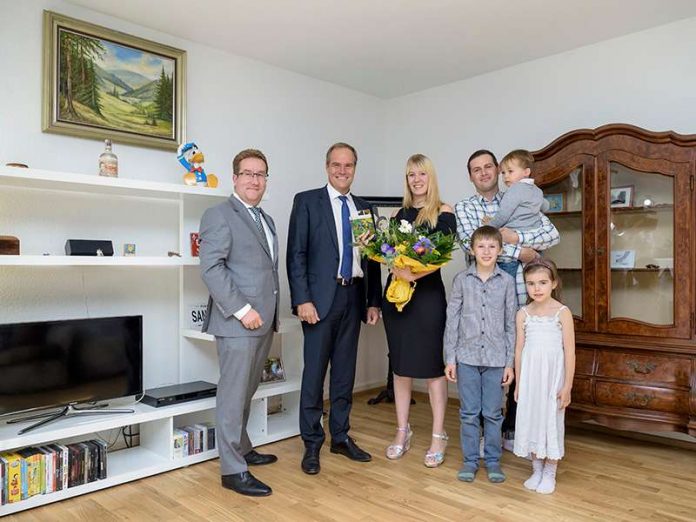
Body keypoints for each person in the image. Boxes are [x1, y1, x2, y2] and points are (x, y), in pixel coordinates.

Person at [287, 142, 382, 475]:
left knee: (344, 374)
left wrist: (373, 301)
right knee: (314, 375)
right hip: (318, 301)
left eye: (349, 165)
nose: (343, 171)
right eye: (336, 165)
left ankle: (340, 437)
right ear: (327, 167)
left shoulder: (365, 208)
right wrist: (302, 299)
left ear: (355, 168)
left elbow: (372, 260)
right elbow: (296, 254)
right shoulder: (307, 202)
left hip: (353, 297)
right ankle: (312, 443)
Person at [454, 149, 560, 445]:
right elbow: (470, 244)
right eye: (477, 169)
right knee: (487, 365)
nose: (484, 172)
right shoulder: (464, 208)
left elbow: (551, 235)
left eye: (489, 167)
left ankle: (513, 429)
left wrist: (516, 237)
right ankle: (482, 434)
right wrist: (523, 251)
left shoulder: (518, 195)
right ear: (471, 175)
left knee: (519, 360)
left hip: (521, 296)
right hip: (484, 302)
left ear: (499, 170)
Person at [199, 149, 279, 497]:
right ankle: (233, 471)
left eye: (260, 174)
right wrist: (243, 309)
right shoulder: (218, 214)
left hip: (263, 321)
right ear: (234, 178)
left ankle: (242, 447)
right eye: (247, 173)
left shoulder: (266, 219)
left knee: (247, 390)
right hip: (238, 322)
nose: (253, 180)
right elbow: (212, 268)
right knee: (232, 395)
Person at [381, 154, 456, 467]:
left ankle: (439, 435)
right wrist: (384, 253)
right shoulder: (400, 213)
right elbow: (388, 251)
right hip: (397, 298)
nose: (416, 180)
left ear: (431, 177)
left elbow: (442, 253)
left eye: (421, 174)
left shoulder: (444, 211)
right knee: (401, 367)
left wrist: (413, 273)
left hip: (427, 299)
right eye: (411, 174)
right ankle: (402, 431)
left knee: (432, 369)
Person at [444, 225, 516, 483]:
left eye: (492, 246)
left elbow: (510, 325)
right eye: (481, 246)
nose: (486, 251)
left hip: (497, 360)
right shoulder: (462, 280)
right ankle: (471, 461)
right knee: (469, 413)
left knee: (493, 413)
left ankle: (494, 461)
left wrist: (510, 363)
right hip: (467, 359)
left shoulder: (506, 282)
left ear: (500, 250)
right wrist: (450, 359)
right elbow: (452, 320)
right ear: (472, 250)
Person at [513, 258, 576, 494]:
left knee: (551, 419)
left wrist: (567, 385)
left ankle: (550, 471)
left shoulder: (562, 312)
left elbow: (569, 351)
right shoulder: (523, 314)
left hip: (553, 377)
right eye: (530, 284)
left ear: (553, 283)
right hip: (530, 377)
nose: (536, 288)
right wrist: (519, 383)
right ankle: (536, 467)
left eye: (542, 282)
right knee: (532, 418)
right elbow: (519, 350)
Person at [486, 149, 550, 279]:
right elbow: (546, 206)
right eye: (503, 173)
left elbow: (503, 215)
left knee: (506, 280)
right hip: (534, 243)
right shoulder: (537, 191)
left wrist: (489, 227)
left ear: (526, 172)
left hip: (514, 241)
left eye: (510, 171)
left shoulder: (514, 190)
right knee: (534, 278)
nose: (506, 177)